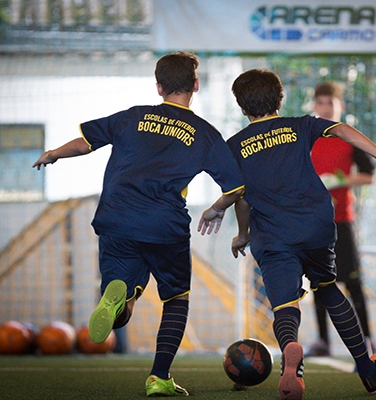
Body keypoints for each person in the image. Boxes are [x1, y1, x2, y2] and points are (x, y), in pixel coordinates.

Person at [32, 51, 244, 397]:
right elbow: (235, 187)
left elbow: (86, 142)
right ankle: (159, 376)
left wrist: (54, 152)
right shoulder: (205, 133)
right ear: (196, 85)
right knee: (176, 297)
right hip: (164, 224)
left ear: (158, 86)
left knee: (123, 283)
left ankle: (121, 293)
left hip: (116, 216)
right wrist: (217, 209)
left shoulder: (133, 117)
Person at [227, 68, 376, 399]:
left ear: (241, 106)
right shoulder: (300, 125)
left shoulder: (235, 145)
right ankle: (366, 368)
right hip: (316, 224)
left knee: (285, 305)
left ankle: (292, 347)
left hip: (274, 234)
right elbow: (345, 131)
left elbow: (240, 196)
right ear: (280, 99)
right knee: (330, 287)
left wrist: (243, 233)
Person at [307, 81, 376, 357]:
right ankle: (324, 341)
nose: (325, 108)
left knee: (353, 281)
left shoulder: (348, 136)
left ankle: (369, 339)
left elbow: (369, 174)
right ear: (314, 106)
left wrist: (339, 181)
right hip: (313, 221)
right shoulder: (306, 136)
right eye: (321, 103)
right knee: (319, 281)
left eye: (331, 103)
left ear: (340, 106)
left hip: (342, 220)